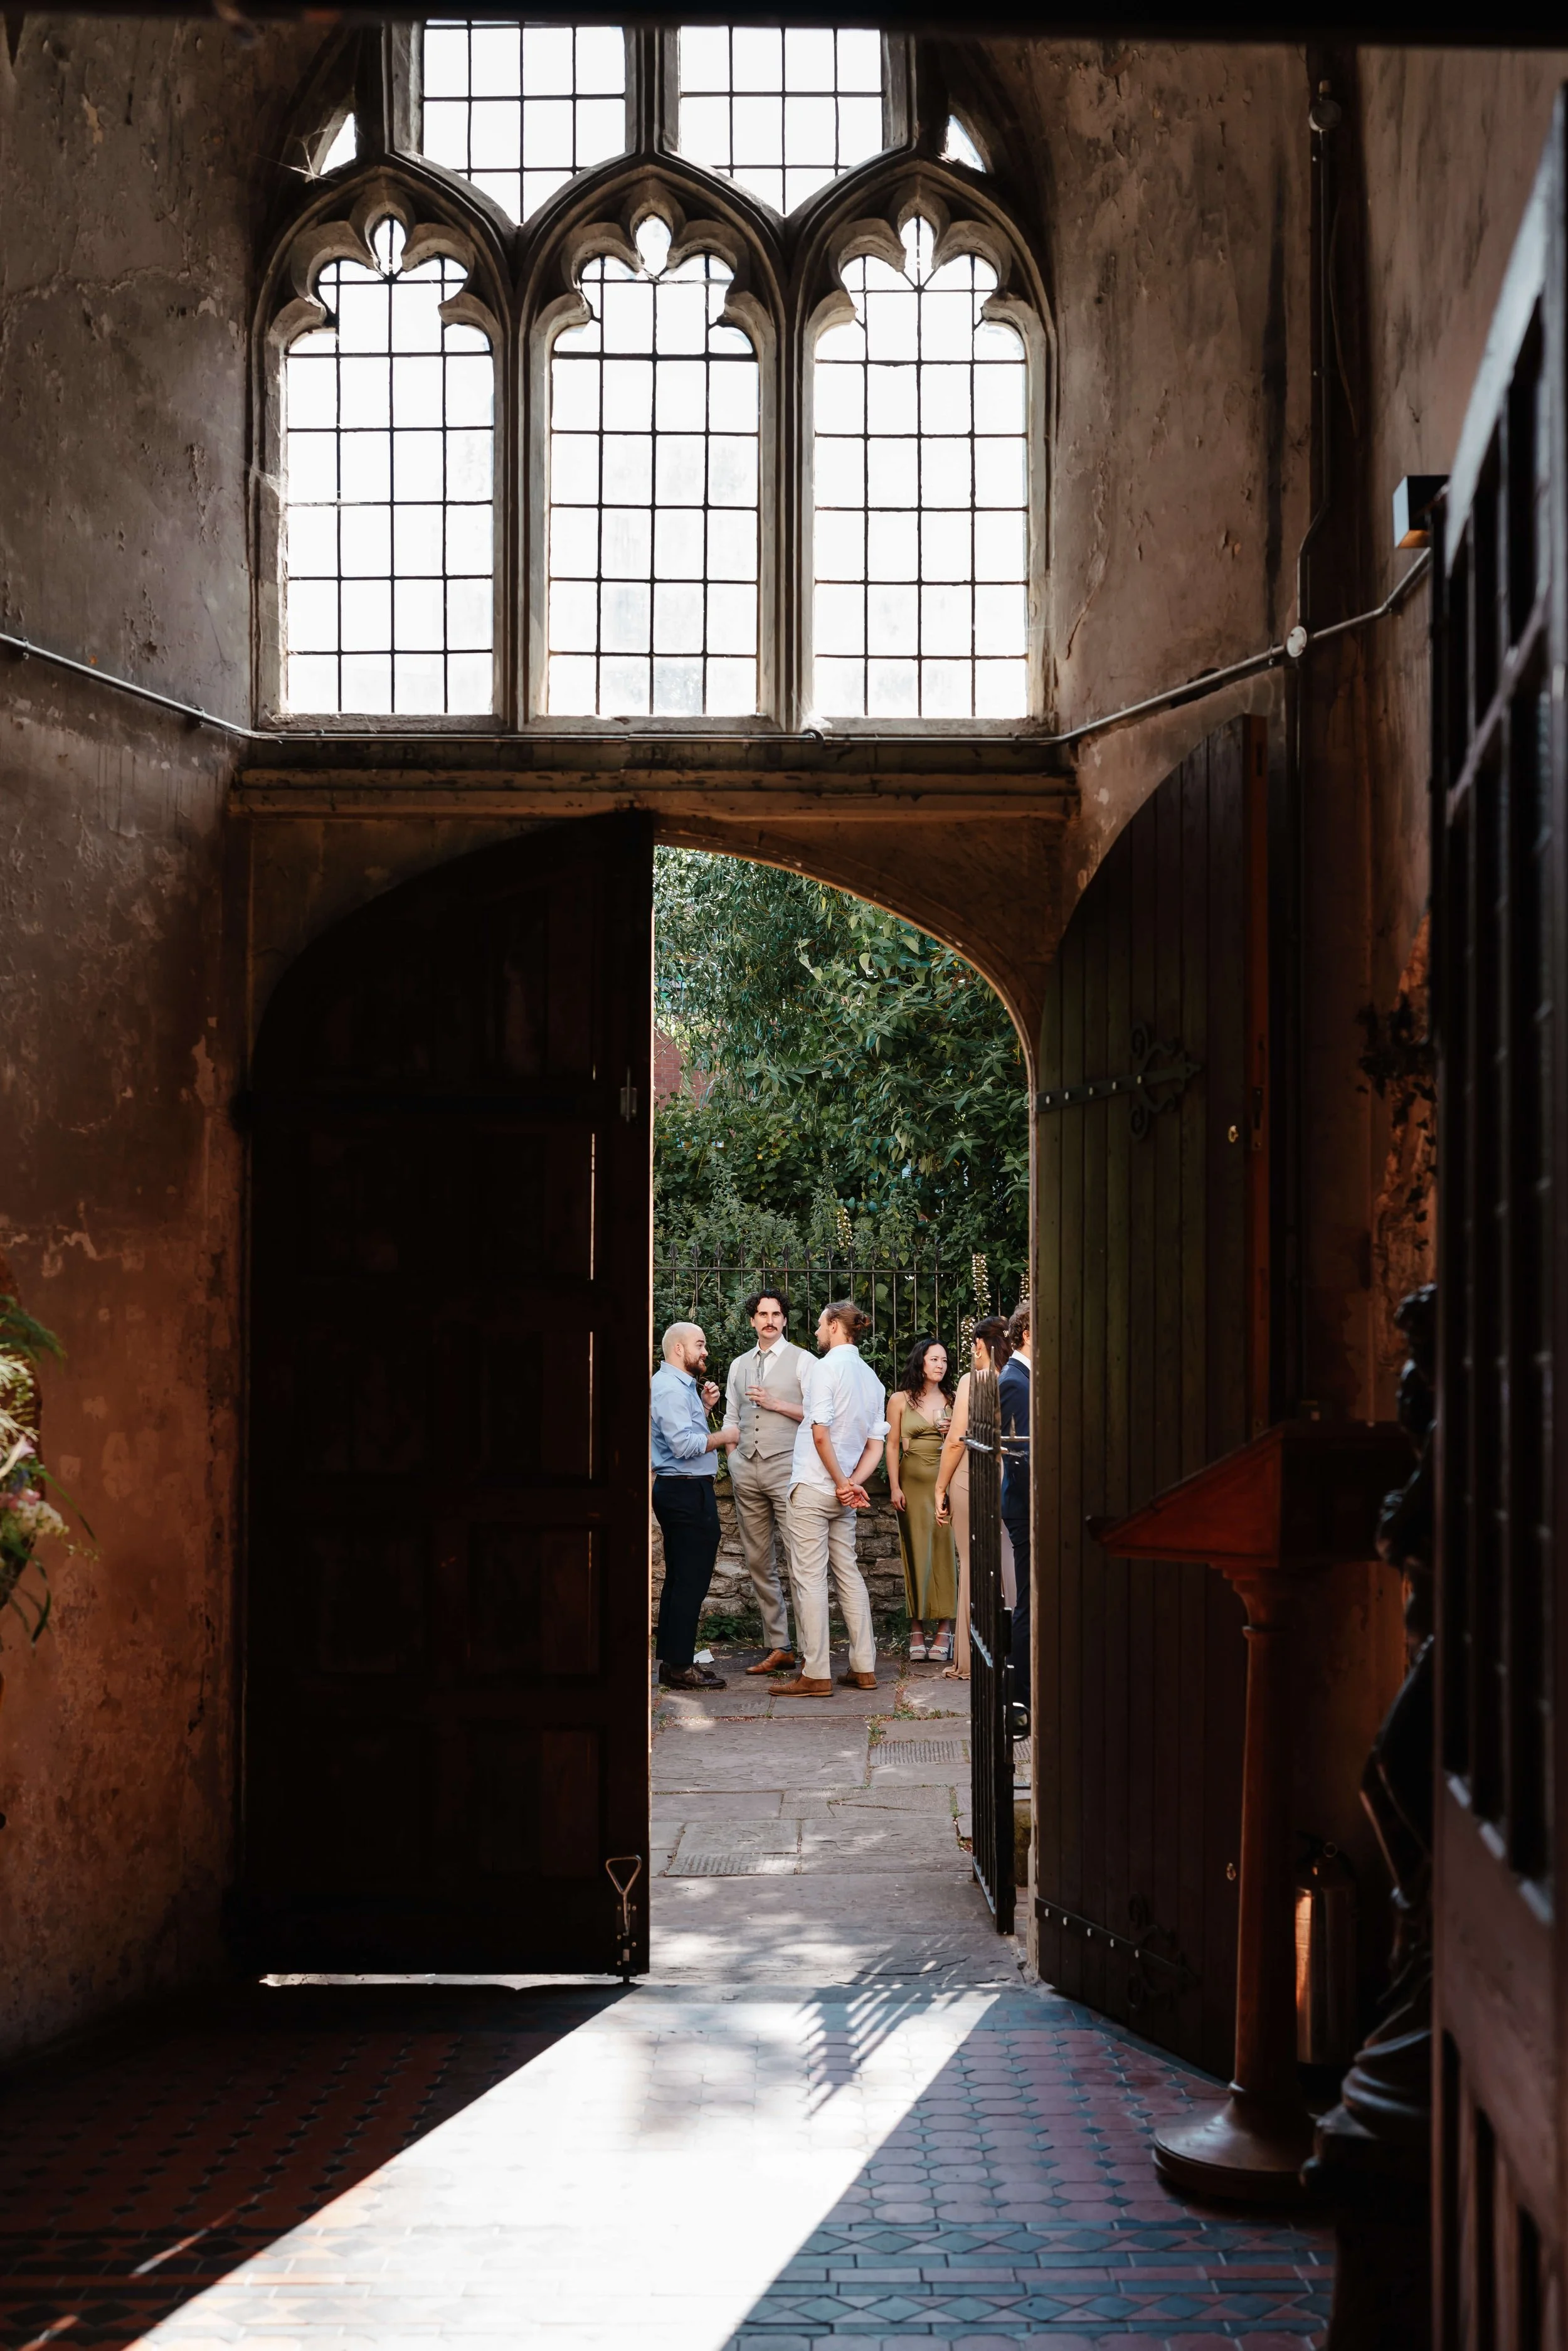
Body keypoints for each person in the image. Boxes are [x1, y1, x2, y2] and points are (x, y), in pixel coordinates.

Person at [775, 1300, 886, 1697]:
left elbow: (820, 1432)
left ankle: (817, 1673)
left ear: (837, 1326)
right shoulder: (873, 1379)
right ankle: (864, 1667)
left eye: (822, 1325)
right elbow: (876, 1444)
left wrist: (841, 1481)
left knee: (810, 1580)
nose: (818, 1332)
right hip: (843, 1495)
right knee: (850, 1575)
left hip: (813, 1487)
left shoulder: (825, 1369)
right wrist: (853, 1484)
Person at [724, 1287, 810, 1674]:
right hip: (747, 1469)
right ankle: (780, 1646)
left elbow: (817, 1413)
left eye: (776, 1314)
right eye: (763, 1314)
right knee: (759, 1561)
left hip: (788, 1468)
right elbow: (730, 1416)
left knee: (800, 1559)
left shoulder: (803, 1361)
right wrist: (732, 1460)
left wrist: (776, 1404)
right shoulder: (739, 1364)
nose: (770, 1321)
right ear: (753, 1320)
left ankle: (812, 1650)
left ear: (785, 1320)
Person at [650, 1322, 738, 1691]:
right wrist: (726, 1436)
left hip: (683, 1490)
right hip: (685, 1492)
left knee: (681, 1578)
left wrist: (703, 1406)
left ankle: (673, 1662)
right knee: (691, 1581)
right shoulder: (669, 1388)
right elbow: (685, 1446)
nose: (705, 1351)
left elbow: (680, 1432)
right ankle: (681, 1666)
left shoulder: (680, 1387)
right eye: (699, 1345)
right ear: (678, 1350)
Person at [934, 1314, 1012, 1679]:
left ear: (981, 1345)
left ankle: (969, 1660)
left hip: (970, 1476)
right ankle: (1012, 1649)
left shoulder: (973, 1379)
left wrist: (939, 1487)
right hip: (1008, 1475)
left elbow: (955, 1440)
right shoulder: (1018, 1378)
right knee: (1008, 1561)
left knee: (971, 1563)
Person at [886, 1335, 958, 1664]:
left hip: (946, 1482)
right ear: (921, 1362)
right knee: (915, 1552)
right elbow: (890, 1446)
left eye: (944, 1360)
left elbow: (967, 1443)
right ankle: (916, 1627)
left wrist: (952, 1432)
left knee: (945, 1551)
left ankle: (945, 1627)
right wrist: (894, 1487)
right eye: (934, 1359)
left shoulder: (955, 1398)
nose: (940, 1365)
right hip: (911, 1484)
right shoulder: (900, 1399)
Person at [999, 1300, 1032, 1711]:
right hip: (1026, 1506)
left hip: (1024, 1503)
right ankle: (1020, 1696)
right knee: (1028, 1601)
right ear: (1026, 1334)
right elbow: (1022, 1453)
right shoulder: (1015, 1381)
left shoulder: (1023, 1377)